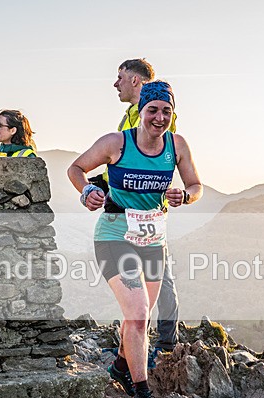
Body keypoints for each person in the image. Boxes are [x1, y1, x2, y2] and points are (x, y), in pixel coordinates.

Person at [68, 81, 203, 398]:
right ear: (140, 111)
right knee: (140, 314)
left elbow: (196, 186)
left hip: (154, 241)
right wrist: (87, 192)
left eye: (166, 111)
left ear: (173, 115)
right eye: (153, 110)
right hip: (115, 236)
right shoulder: (116, 143)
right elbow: (76, 168)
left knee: (136, 319)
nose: (159, 118)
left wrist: (185, 196)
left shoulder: (178, 145)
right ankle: (141, 395)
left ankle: (118, 366)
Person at [89, 59, 180, 368]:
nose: (116, 84)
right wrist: (96, 185)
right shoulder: (126, 119)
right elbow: (119, 164)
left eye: (121, 78)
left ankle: (165, 343)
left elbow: (157, 161)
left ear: (137, 83)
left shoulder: (156, 115)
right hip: (122, 217)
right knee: (138, 301)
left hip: (149, 216)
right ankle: (129, 356)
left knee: (158, 281)